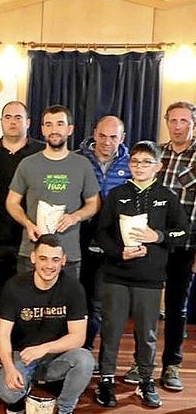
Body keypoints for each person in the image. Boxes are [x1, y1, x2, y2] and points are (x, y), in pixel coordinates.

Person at [94, 141, 187, 409]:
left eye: (146, 162)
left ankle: (146, 380)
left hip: (150, 278)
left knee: (147, 333)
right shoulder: (117, 194)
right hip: (117, 275)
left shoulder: (167, 197)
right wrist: (118, 252)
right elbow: (101, 232)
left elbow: (182, 233)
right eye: (135, 162)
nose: (139, 167)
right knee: (110, 330)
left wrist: (157, 236)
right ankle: (107, 380)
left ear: (158, 166)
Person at [0, 234, 93, 414]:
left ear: (64, 260)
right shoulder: (15, 286)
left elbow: (78, 337)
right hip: (22, 355)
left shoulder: (73, 288)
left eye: (55, 260)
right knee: (8, 393)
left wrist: (45, 348)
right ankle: (26, 388)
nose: (49, 266)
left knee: (85, 360)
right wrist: (10, 368)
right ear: (33, 258)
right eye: (43, 258)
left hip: (55, 355)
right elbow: (2, 333)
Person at [5, 105, 100, 277]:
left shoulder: (82, 165)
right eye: (48, 124)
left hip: (68, 255)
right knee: (27, 303)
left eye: (59, 124)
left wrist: (75, 217)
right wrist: (27, 223)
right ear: (42, 129)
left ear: (70, 129)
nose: (54, 130)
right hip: (32, 253)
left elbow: (94, 203)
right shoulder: (28, 164)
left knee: (66, 303)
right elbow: (12, 202)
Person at [75, 116, 130, 352]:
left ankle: (95, 352)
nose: (107, 142)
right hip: (80, 233)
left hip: (115, 238)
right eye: (102, 136)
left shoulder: (131, 163)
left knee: (102, 301)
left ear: (122, 138)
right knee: (79, 297)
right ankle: (77, 350)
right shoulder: (76, 159)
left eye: (113, 137)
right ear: (94, 133)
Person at [0, 101, 44, 296]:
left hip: (30, 237)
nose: (13, 122)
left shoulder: (41, 152)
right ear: (0, 122)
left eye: (18, 117)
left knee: (26, 296)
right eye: (7, 117)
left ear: (28, 122)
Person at [157, 101, 196, 392]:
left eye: (184, 120)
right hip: (154, 242)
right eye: (174, 120)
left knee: (176, 308)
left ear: (193, 124)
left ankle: (171, 363)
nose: (178, 125)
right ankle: (142, 362)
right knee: (145, 305)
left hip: (186, 246)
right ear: (167, 122)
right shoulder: (157, 153)